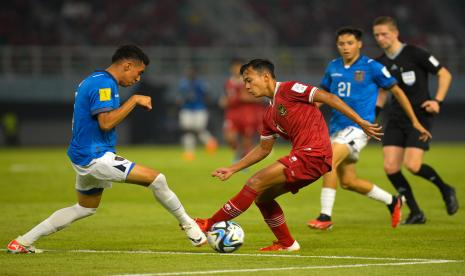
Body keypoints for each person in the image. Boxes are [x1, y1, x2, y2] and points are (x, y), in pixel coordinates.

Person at [6, 45, 206, 254]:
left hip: (83, 154)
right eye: (139, 73)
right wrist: (135, 100)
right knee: (157, 179)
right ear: (127, 65)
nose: (138, 79)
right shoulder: (104, 84)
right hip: (95, 156)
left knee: (85, 207)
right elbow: (106, 123)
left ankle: (23, 241)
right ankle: (189, 224)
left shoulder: (95, 80)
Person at [195, 59, 383, 251]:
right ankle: (287, 243)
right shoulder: (269, 114)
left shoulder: (290, 89)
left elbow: (328, 98)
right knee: (263, 198)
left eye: (250, 80)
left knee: (254, 183)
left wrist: (361, 122)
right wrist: (233, 168)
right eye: (245, 82)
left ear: (265, 76)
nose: (247, 86)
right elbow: (263, 149)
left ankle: (208, 225)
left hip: (314, 154)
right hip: (307, 159)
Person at [307, 27, 432, 230]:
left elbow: (397, 92)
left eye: (350, 43)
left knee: (327, 158)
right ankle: (393, 201)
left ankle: (324, 217)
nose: (345, 47)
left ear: (359, 44)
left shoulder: (372, 67)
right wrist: (305, 113)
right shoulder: (333, 67)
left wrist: (415, 121)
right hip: (336, 129)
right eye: (341, 44)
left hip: (359, 127)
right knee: (348, 181)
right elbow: (324, 95)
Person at [372, 16, 458, 224]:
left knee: (412, 165)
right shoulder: (380, 62)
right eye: (376, 35)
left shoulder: (415, 53)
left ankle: (446, 189)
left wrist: (437, 100)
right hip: (395, 117)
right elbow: (382, 93)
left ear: (395, 33)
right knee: (391, 167)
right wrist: (372, 117)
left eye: (384, 34)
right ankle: (416, 212)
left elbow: (445, 74)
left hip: (420, 115)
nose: (380, 38)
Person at [220, 58, 265, 161]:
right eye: (235, 67)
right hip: (232, 113)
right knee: (229, 138)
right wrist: (224, 101)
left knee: (247, 141)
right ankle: (238, 153)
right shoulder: (228, 82)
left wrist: (245, 98)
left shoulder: (250, 81)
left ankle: (243, 160)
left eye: (239, 67)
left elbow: (260, 98)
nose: (236, 69)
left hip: (247, 113)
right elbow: (226, 97)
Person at [176, 66, 218, 161]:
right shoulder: (183, 84)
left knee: (198, 129)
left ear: (195, 73)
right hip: (186, 109)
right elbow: (179, 96)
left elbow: (208, 96)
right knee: (187, 130)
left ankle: (210, 141)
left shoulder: (201, 84)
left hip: (199, 109)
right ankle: (189, 152)